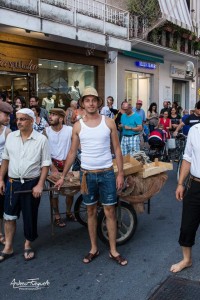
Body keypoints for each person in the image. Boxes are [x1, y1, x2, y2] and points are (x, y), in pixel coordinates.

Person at [55, 86, 127, 266]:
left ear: (98, 103)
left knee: (110, 211)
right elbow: (72, 152)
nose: (91, 103)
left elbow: (117, 149)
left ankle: (113, 250)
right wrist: (63, 175)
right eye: (87, 100)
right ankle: (94, 248)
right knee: (91, 211)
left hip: (107, 174)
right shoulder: (78, 126)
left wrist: (121, 174)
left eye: (94, 100)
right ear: (82, 104)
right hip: (87, 176)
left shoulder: (109, 122)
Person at [0, 108, 51, 262]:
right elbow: (6, 159)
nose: (19, 122)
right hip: (12, 182)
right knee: (8, 216)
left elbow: (45, 164)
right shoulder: (11, 137)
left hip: (31, 183)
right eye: (18, 119)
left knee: (30, 215)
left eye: (22, 119)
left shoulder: (41, 139)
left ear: (31, 120)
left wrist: (40, 184)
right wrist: (1, 179)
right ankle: (8, 247)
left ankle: (28, 243)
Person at [170, 122, 200, 273]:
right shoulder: (195, 130)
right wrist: (180, 183)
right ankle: (187, 260)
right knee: (187, 225)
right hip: (195, 185)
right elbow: (187, 158)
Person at [45, 108, 75, 227]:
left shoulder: (70, 130)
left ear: (61, 118)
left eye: (54, 115)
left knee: (70, 192)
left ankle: (68, 211)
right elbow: (43, 152)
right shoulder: (45, 131)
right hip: (52, 165)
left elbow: (76, 147)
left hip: (68, 164)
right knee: (54, 194)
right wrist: (52, 167)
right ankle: (57, 215)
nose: (50, 117)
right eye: (50, 114)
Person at [0, 102, 13, 246]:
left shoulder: (7, 132)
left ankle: (2, 233)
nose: (8, 118)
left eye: (9, 115)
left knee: (3, 203)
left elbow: (10, 155)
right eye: (5, 114)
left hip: (5, 171)